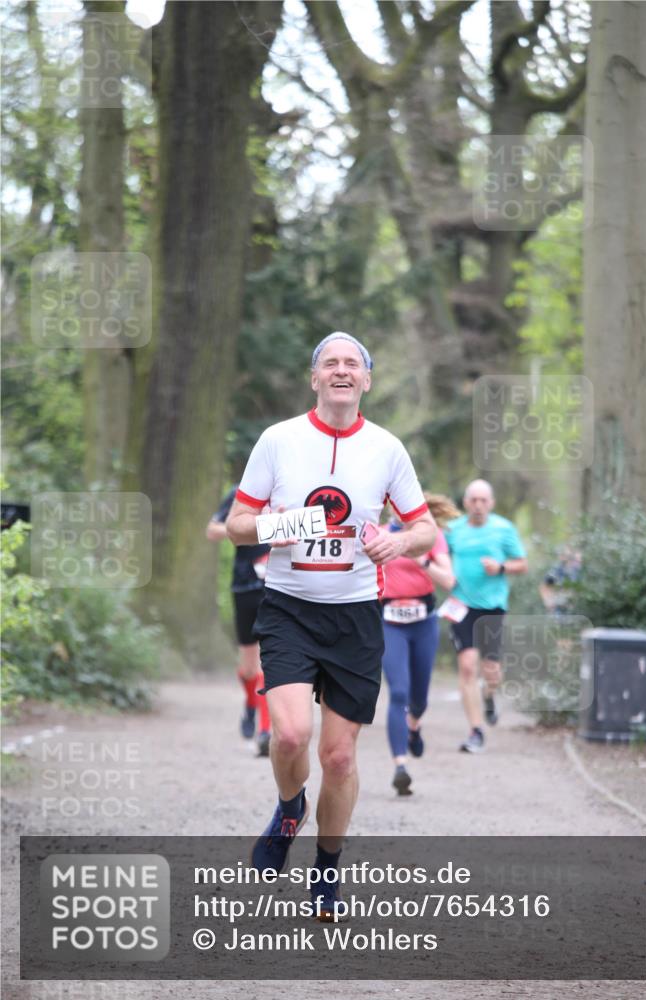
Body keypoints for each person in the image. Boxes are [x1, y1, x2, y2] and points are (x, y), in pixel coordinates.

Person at [225, 332, 436, 920]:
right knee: (290, 736)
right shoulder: (278, 441)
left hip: (356, 618)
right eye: (330, 363)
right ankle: (290, 806)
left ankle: (326, 871)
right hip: (289, 607)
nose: (341, 371)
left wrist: (396, 541)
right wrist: (278, 527)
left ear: (367, 380)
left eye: (352, 364)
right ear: (314, 377)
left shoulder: (387, 449)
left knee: (339, 758)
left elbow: (424, 529)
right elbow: (238, 522)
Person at [380, 493, 458, 796]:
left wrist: (420, 558)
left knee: (419, 699)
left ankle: (414, 726)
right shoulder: (380, 536)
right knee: (397, 691)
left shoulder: (432, 537)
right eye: (394, 507)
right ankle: (400, 766)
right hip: (388, 622)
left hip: (423, 623)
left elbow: (449, 581)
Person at [444, 479, 527, 753]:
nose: (478, 505)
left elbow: (522, 564)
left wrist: (501, 567)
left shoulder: (503, 529)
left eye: (483, 500)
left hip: (492, 607)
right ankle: (476, 730)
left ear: (491, 503)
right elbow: (441, 558)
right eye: (473, 500)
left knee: (491, 671)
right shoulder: (452, 531)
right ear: (465, 503)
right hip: (462, 605)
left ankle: (489, 696)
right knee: (468, 666)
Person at [206, 488, 272, 756]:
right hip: (244, 585)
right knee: (248, 668)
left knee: (271, 660)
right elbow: (212, 530)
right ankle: (250, 702)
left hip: (278, 587)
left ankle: (266, 731)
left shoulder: (292, 491)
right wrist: (249, 529)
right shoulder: (239, 494)